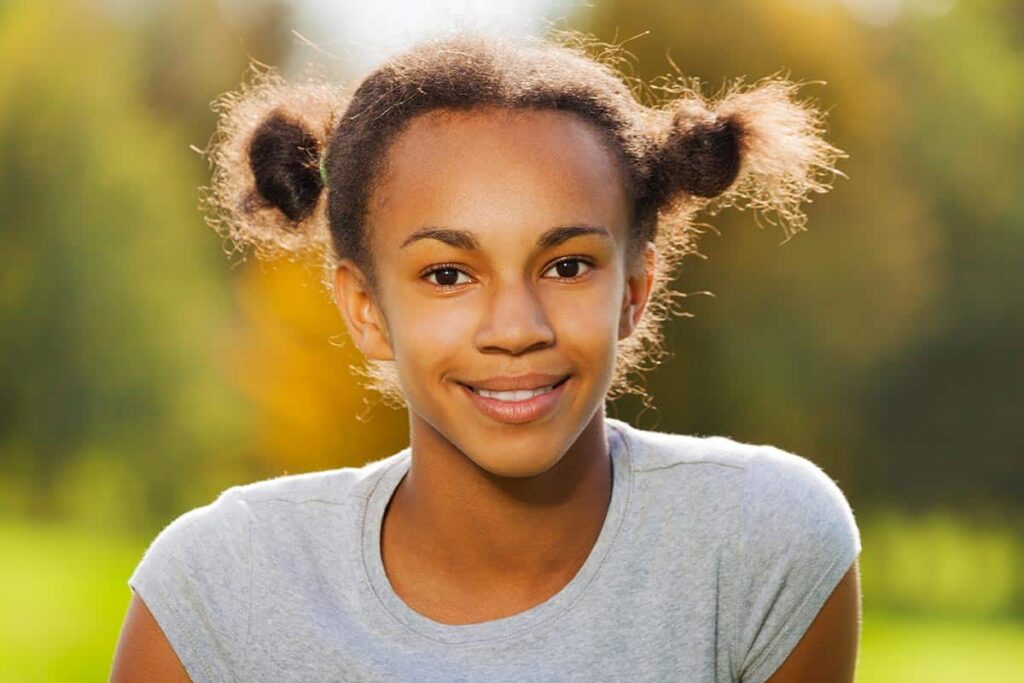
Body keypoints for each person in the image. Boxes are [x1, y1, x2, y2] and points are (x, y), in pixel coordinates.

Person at [110, 29, 861, 683]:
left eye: (567, 264)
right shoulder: (217, 590)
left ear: (635, 289)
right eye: (448, 274)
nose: (515, 326)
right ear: (365, 310)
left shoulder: (764, 542)